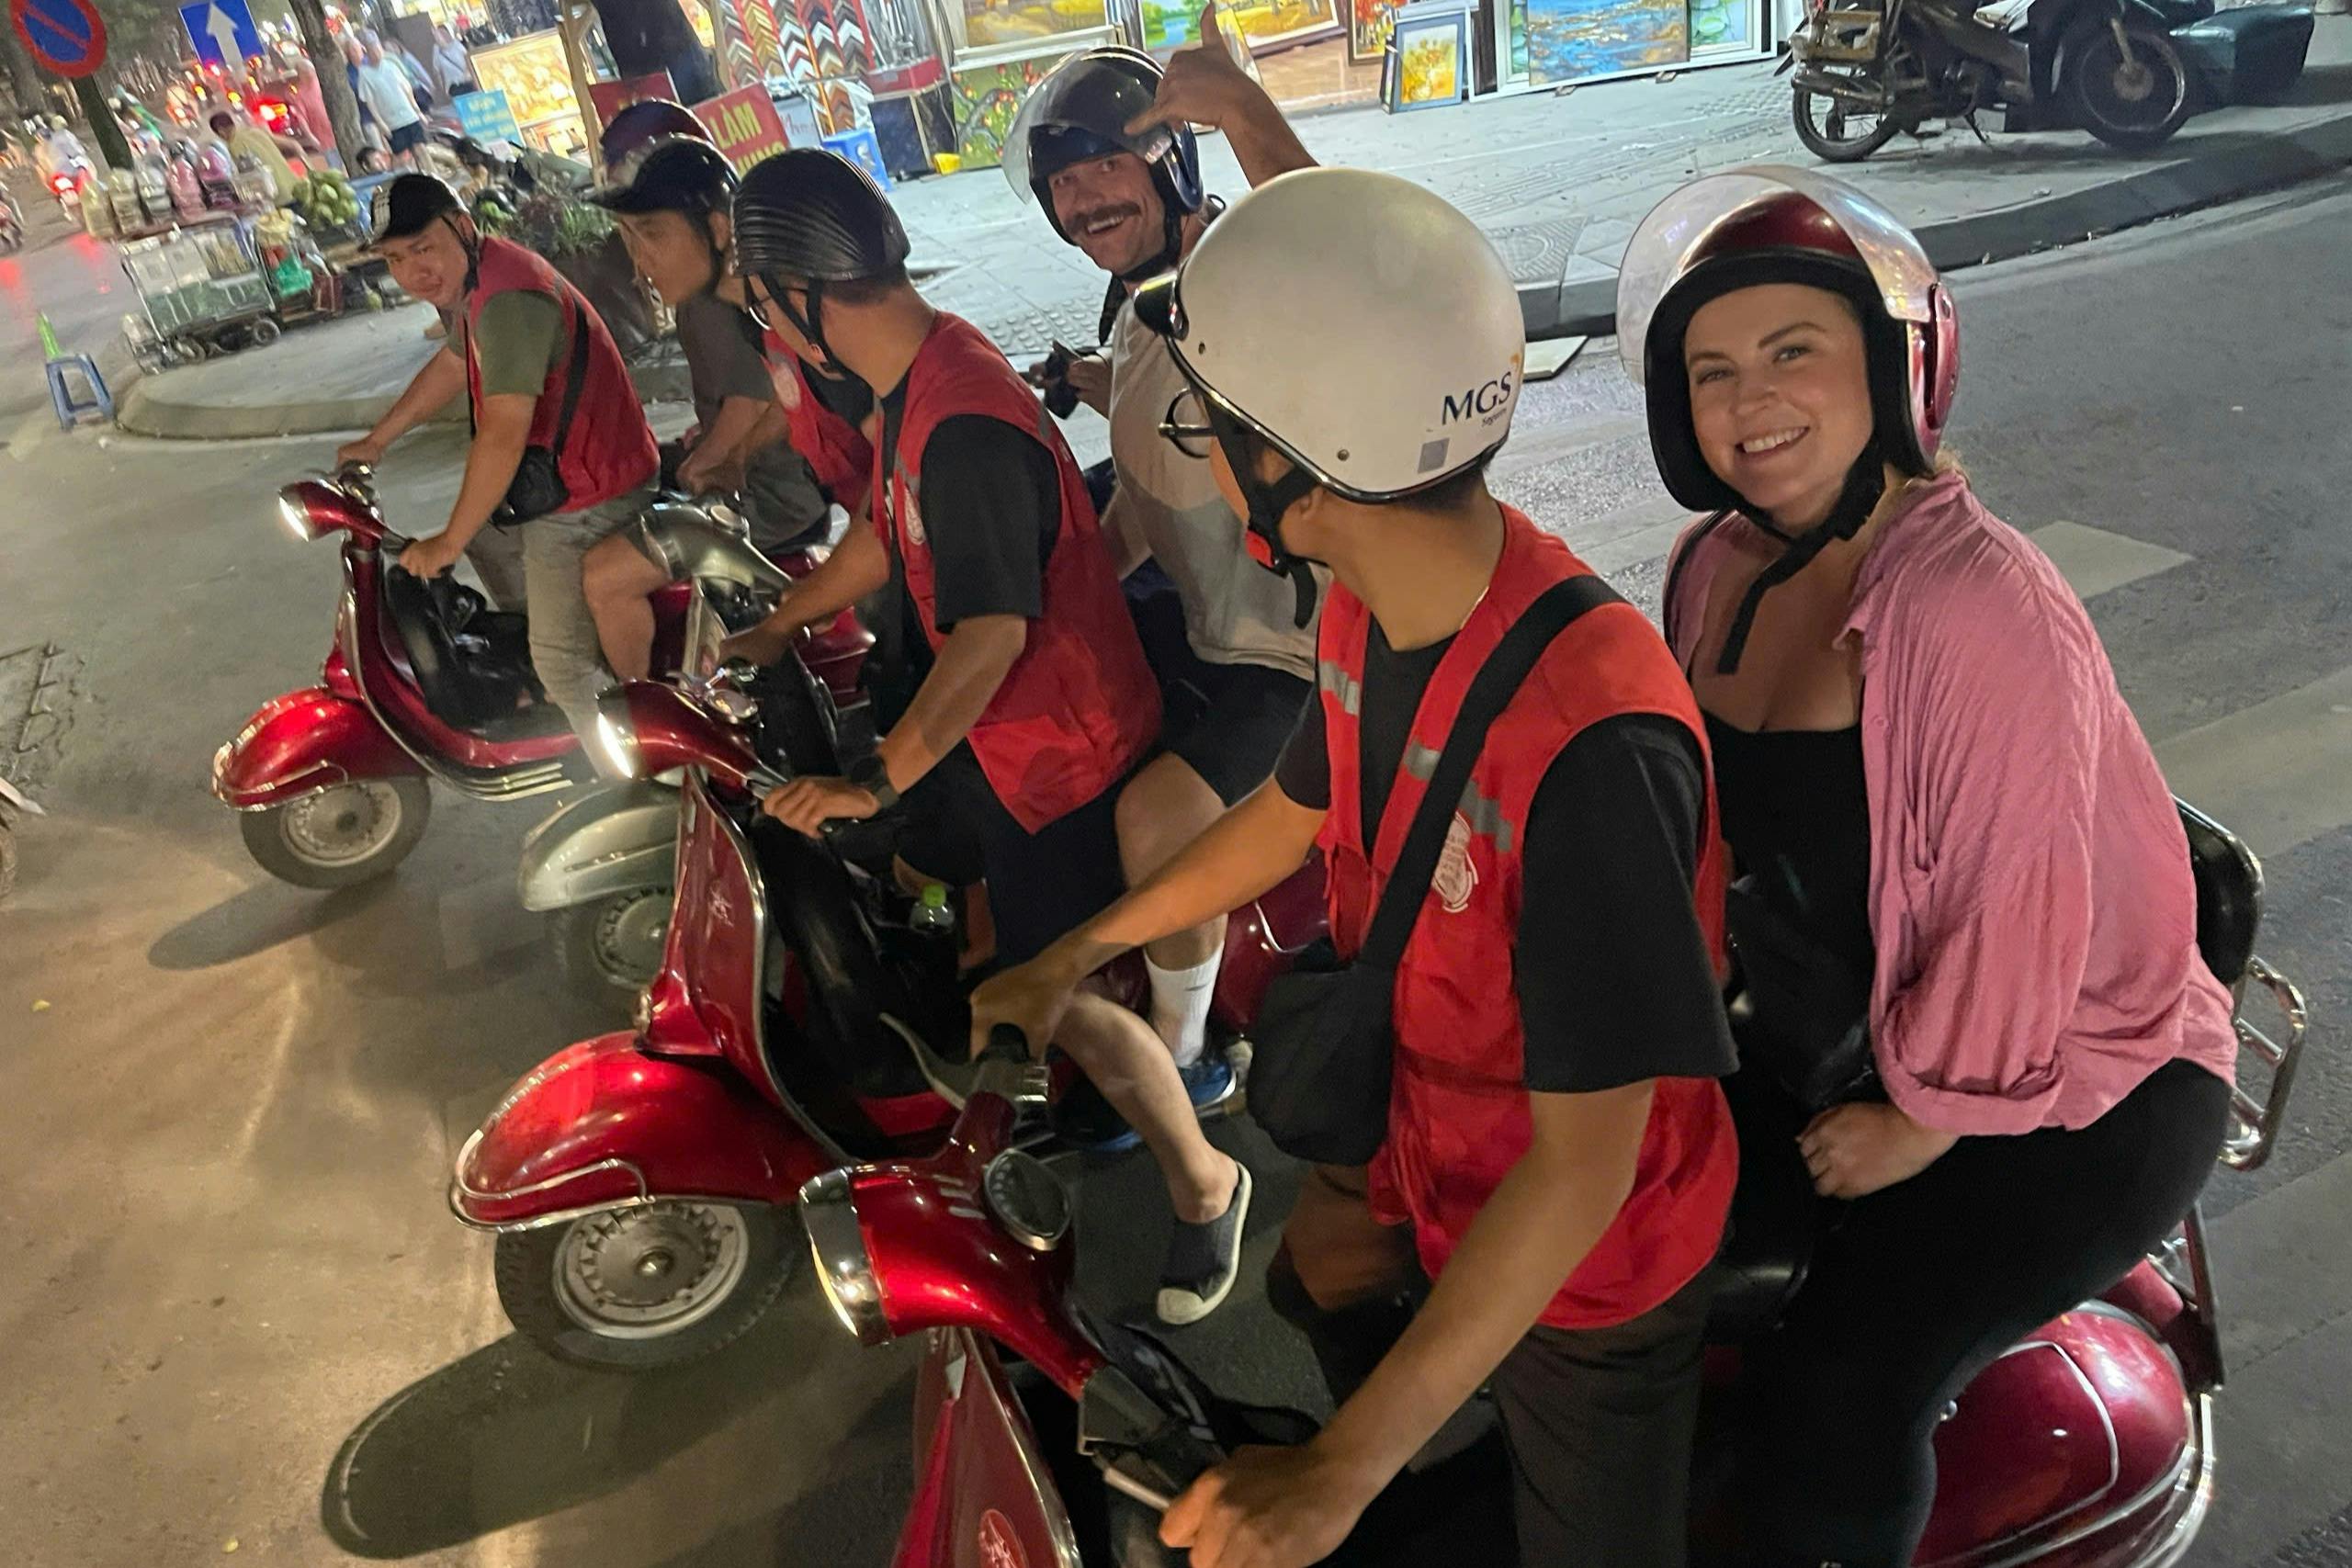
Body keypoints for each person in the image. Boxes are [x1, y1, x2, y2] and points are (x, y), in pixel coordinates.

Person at [974, 167, 1742, 1568]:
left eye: (1216, 425)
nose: (1201, 458)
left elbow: (1582, 1173)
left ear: (1302, 456)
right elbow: (1289, 811)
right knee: (1315, 1271)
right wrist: (1079, 951)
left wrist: (1339, 1469)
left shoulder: (1589, 745)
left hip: (1591, 1266)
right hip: (1431, 1138)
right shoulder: (1367, 602)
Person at [1618, 166, 2236, 1566]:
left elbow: (2022, 902)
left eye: (1793, 353)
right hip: (1840, 1023)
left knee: (1841, 1385)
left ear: (1894, 371)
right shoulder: (1715, 566)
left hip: (2068, 1076)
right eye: (1710, 370)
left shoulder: (1971, 600)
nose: (1748, 401)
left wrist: (1928, 1113)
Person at [728, 150, 1285, 1323]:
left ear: (796, 295)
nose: (763, 332)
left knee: (1062, 984)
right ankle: (998, 1040)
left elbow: (987, 637)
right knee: (935, 884)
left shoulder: (962, 423)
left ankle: (1203, 1180)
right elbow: (886, 537)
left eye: (760, 305)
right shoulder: (913, 383)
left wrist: (872, 778)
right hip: (1004, 749)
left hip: (1058, 756)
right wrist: (782, 619)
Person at [1003, 39, 1320, 1091]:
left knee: (1154, 817)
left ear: (1170, 167)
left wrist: (1242, 108)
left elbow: (1338, 253)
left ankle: (1188, 1055)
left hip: (1295, 653)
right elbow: (1164, 444)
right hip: (1209, 624)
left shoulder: (1234, 269)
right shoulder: (1142, 293)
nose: (1082, 197)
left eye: (1103, 165)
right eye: (1061, 182)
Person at [334, 175, 660, 737]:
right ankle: (567, 646)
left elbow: (505, 432)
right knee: (488, 541)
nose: (413, 271)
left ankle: (641, 762)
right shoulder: (477, 282)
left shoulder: (508, 299)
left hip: (591, 489)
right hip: (560, 476)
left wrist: (447, 542)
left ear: (462, 227)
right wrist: (377, 440)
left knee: (558, 660)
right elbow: (453, 365)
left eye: (423, 248)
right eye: (394, 258)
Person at [578, 133, 834, 682]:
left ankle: (641, 720)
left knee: (603, 576)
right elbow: (779, 396)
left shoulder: (730, 306)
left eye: (653, 234)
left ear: (719, 228)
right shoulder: (738, 303)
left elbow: (759, 397)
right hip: (783, 491)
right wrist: (721, 448)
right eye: (629, 237)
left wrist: (714, 460)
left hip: (773, 504)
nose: (639, 263)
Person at [352, 33, 424, 165]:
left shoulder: (391, 64)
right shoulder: (364, 74)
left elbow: (407, 88)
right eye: (372, 50)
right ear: (367, 52)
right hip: (392, 122)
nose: (377, 52)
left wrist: (417, 110)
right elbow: (370, 102)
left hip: (409, 116)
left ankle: (432, 174)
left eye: (378, 48)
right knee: (402, 156)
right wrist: (380, 123)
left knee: (421, 150)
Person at [209, 107, 303, 205]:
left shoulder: (235, 145)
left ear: (220, 131)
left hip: (279, 194)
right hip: (293, 184)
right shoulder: (254, 131)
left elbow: (250, 177)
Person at [431, 24, 476, 99]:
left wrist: (469, 74)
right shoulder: (436, 50)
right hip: (453, 87)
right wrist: (444, 88)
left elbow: (468, 60)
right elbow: (437, 71)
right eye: (437, 35)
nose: (440, 38)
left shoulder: (457, 45)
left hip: (467, 82)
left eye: (442, 34)